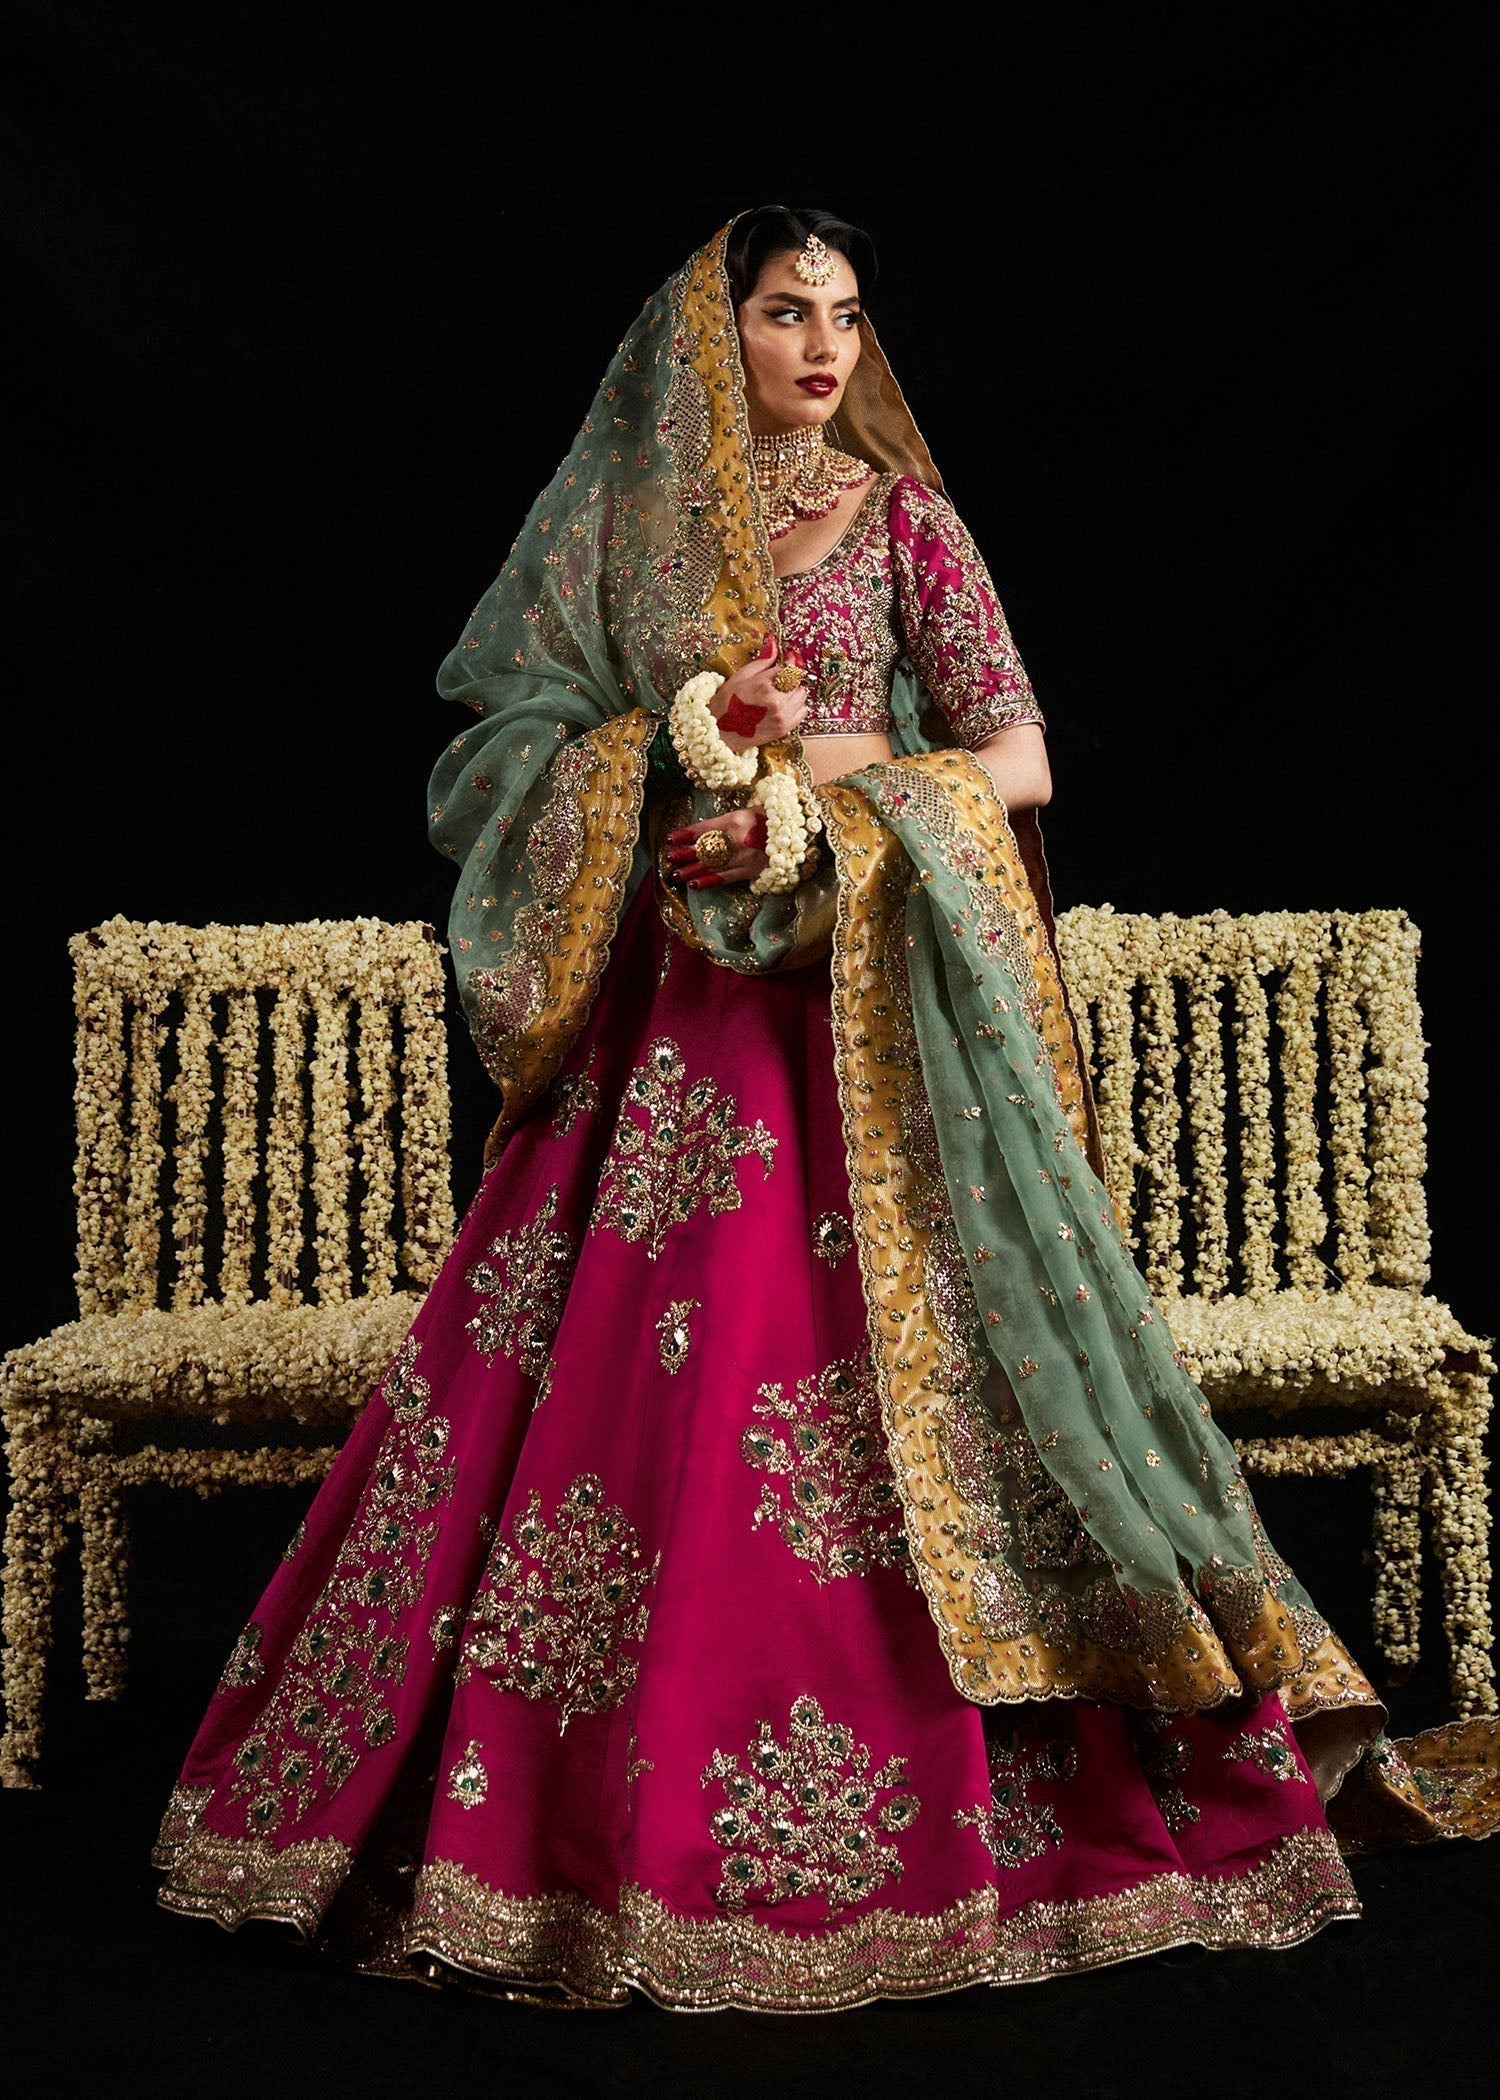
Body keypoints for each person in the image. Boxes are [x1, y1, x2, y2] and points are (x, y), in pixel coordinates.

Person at [151, 207, 1495, 2011]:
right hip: (667, 1033)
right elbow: (500, 744)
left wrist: (839, 783)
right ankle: (560, 1834)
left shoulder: (904, 522)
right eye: (788, 312)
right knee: (616, 1407)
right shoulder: (632, 538)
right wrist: (681, 744)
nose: (822, 347)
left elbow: (1018, 756)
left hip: (861, 1023)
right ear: (712, 340)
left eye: (846, 316)